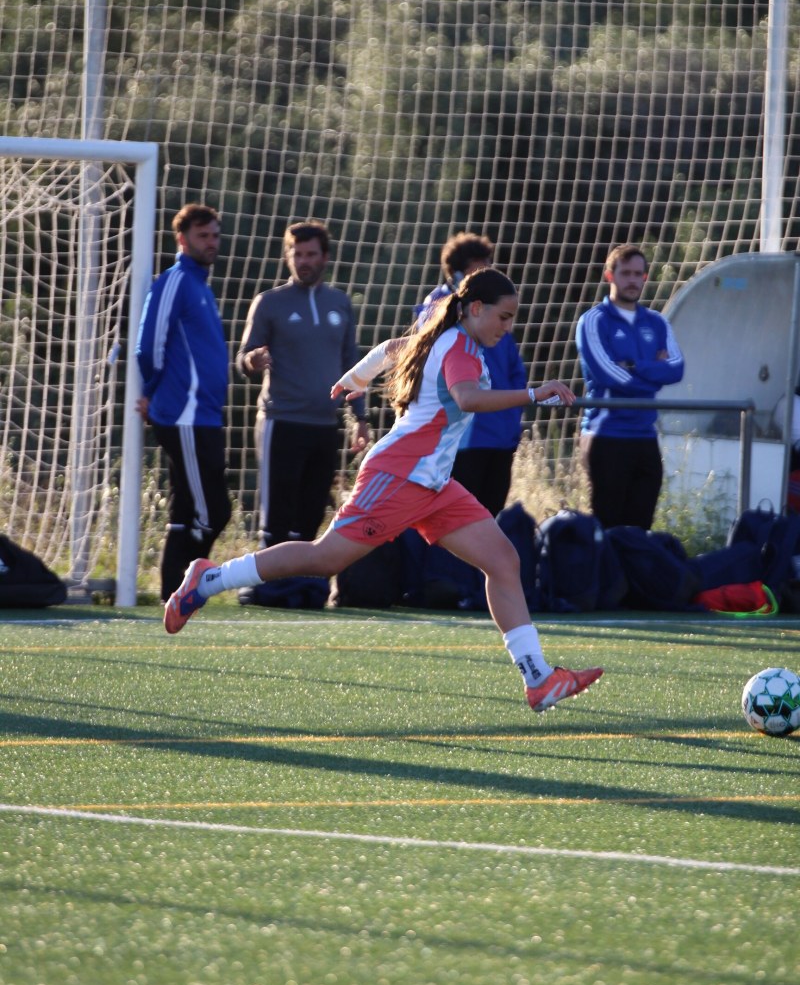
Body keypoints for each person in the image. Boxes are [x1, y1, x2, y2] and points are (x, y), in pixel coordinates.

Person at [163, 267, 603, 715]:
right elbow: (467, 398)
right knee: (324, 558)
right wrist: (534, 394)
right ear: (475, 308)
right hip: (399, 476)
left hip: (433, 484)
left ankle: (538, 679)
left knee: (503, 561)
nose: (507, 328)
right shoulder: (461, 349)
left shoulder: (445, 337)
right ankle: (209, 579)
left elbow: (391, 348)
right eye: (503, 317)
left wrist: (356, 378)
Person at [235, 219, 370, 604]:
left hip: (325, 425)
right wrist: (252, 361)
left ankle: (303, 589)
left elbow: (352, 365)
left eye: (311, 254)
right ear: (288, 257)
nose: (304, 261)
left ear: (325, 257)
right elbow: (242, 357)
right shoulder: (270, 302)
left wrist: (361, 418)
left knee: (311, 515)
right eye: (297, 254)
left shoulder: (339, 303)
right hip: (281, 421)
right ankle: (268, 587)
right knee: (277, 516)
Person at [135, 203, 232, 603]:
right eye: (202, 235)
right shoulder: (174, 280)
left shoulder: (201, 286)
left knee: (186, 510)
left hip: (203, 416)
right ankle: (188, 588)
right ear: (182, 239)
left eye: (214, 235)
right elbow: (148, 345)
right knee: (214, 512)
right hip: (184, 416)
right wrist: (152, 391)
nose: (210, 242)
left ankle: (170, 592)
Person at [415, 232, 527, 517]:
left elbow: (514, 370)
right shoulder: (440, 308)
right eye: (478, 271)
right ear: (456, 275)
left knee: (490, 518)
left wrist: (512, 418)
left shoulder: (496, 316)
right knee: (454, 521)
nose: (485, 278)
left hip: (500, 436)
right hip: (461, 439)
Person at [576, 243, 684, 530]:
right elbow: (607, 375)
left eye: (638, 274)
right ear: (609, 276)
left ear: (646, 277)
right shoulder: (593, 320)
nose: (633, 280)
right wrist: (654, 372)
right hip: (606, 435)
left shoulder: (657, 322)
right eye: (626, 273)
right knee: (608, 529)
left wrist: (635, 365)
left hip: (646, 437)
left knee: (640, 530)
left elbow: (677, 369)